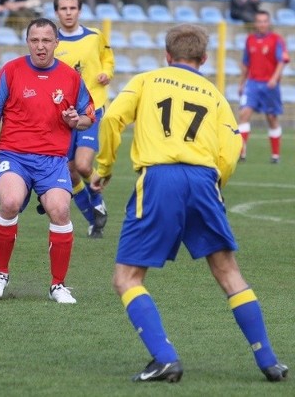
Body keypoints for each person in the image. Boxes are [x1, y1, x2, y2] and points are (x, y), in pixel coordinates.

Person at [90, 23, 288, 383]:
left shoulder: (147, 80)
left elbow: (113, 119)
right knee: (228, 271)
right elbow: (231, 149)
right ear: (204, 58)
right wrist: (217, 184)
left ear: (167, 55)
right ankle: (269, 361)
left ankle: (165, 358)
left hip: (160, 179)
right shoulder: (214, 95)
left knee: (127, 277)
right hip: (203, 181)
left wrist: (103, 167)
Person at [0, 17, 96, 304]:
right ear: (27, 42)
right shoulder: (11, 71)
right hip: (13, 155)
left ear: (57, 43)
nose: (40, 46)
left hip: (53, 160)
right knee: (10, 202)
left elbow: (88, 117)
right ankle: (0, 274)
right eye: (35, 40)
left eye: (46, 40)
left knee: (60, 211)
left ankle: (58, 285)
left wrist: (75, 120)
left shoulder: (71, 77)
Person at [53, 0, 113, 238]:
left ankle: (97, 199)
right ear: (56, 12)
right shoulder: (52, 41)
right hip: (62, 114)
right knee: (69, 170)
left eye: (72, 8)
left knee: (83, 164)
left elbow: (107, 59)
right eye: (63, 8)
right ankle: (93, 219)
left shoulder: (94, 37)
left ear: (80, 11)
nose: (68, 12)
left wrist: (106, 73)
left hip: (92, 108)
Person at [237, 10, 289, 163]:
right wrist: (241, 83)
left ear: (269, 22)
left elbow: (282, 60)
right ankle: (241, 152)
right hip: (252, 84)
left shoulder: (276, 40)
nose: (262, 24)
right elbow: (246, 64)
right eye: (259, 21)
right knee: (244, 114)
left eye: (265, 21)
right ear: (255, 23)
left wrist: (274, 78)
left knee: (272, 118)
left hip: (270, 85)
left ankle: (275, 155)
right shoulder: (250, 40)